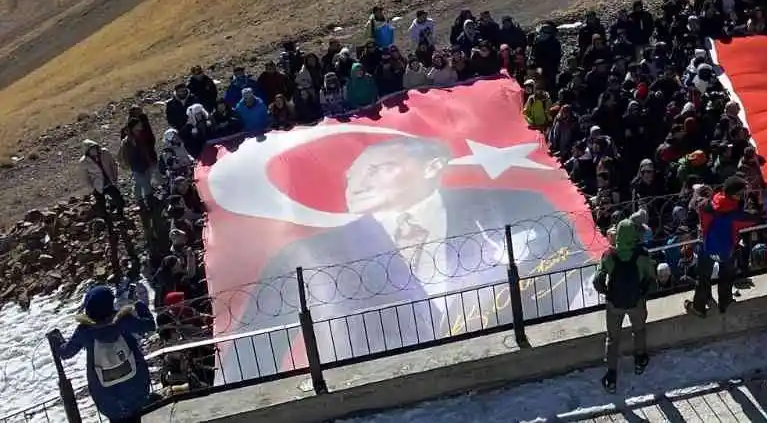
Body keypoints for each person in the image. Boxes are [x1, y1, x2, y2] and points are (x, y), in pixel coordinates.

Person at [222, 136, 591, 381]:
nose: (357, 183)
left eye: (376, 169)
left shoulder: (513, 204)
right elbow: (249, 360)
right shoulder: (303, 259)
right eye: (351, 176)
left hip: (513, 375)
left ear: (432, 166)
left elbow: (579, 284)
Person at [54, 285, 155, 423]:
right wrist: (140, 306)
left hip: (107, 400)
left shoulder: (85, 331)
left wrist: (57, 342)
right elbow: (149, 326)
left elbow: (65, 353)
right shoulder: (123, 321)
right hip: (136, 390)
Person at [594, 218, 655, 392]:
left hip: (615, 304)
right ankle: (639, 361)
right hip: (636, 302)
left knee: (612, 338)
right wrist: (643, 292)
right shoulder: (642, 255)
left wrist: (607, 292)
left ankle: (611, 376)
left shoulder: (608, 255)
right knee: (639, 330)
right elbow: (651, 279)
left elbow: (597, 280)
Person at [687, 176, 759, 317]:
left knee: (703, 278)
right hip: (727, 251)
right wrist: (751, 199)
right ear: (736, 195)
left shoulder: (709, 204)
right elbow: (755, 218)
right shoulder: (737, 214)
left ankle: (698, 307)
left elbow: (695, 205)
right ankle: (725, 303)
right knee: (726, 276)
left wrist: (698, 193)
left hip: (707, 247)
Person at [81, 140, 124, 217]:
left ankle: (120, 215)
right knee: (102, 207)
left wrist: (114, 177)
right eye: (91, 149)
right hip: (98, 186)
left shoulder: (105, 153)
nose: (94, 151)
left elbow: (113, 165)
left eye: (94, 148)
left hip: (109, 182)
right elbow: (85, 178)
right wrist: (92, 189)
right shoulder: (84, 162)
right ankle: (108, 223)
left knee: (119, 200)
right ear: (87, 151)